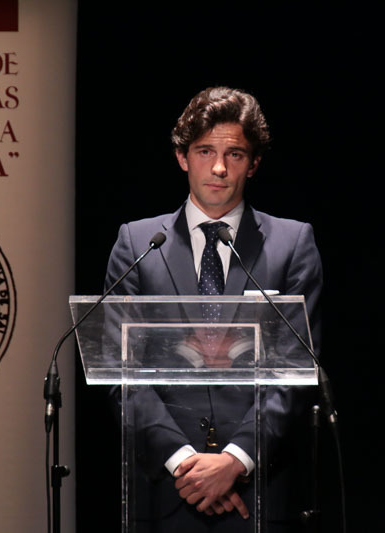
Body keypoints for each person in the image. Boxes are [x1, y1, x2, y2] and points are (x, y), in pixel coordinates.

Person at [104, 86, 322, 532]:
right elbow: (118, 371)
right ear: (182, 157)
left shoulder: (292, 245)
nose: (219, 167)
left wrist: (234, 460)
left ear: (254, 163)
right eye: (205, 151)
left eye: (235, 154)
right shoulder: (139, 244)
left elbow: (297, 373)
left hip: (260, 492)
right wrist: (187, 464)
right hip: (167, 492)